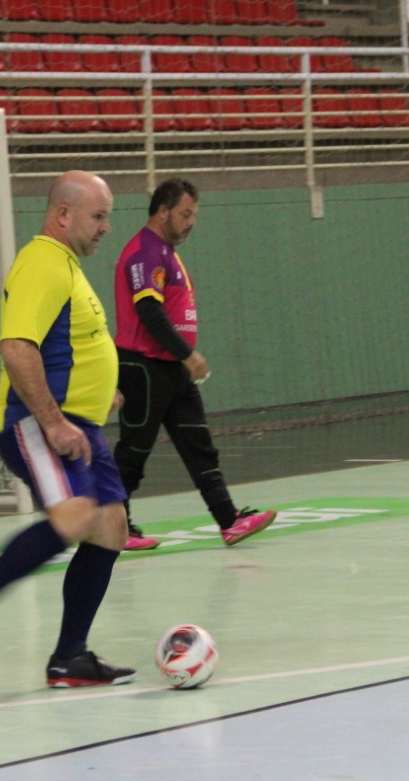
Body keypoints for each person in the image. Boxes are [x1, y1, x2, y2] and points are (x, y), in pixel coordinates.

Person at [0, 170, 135, 689]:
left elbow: (68, 345)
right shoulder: (42, 262)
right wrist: (54, 420)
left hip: (79, 423)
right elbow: (17, 346)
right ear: (63, 214)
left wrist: (99, 389)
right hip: (38, 423)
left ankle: (71, 657)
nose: (106, 226)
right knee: (74, 514)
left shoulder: (66, 265)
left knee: (110, 526)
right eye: (98, 215)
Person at [112, 178, 276, 551]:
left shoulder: (166, 253)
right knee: (133, 453)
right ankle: (115, 529)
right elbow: (148, 311)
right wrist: (187, 354)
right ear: (163, 211)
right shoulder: (144, 251)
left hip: (173, 369)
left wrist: (182, 359)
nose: (191, 222)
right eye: (185, 214)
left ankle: (229, 521)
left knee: (198, 446)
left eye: (194, 216)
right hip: (144, 368)